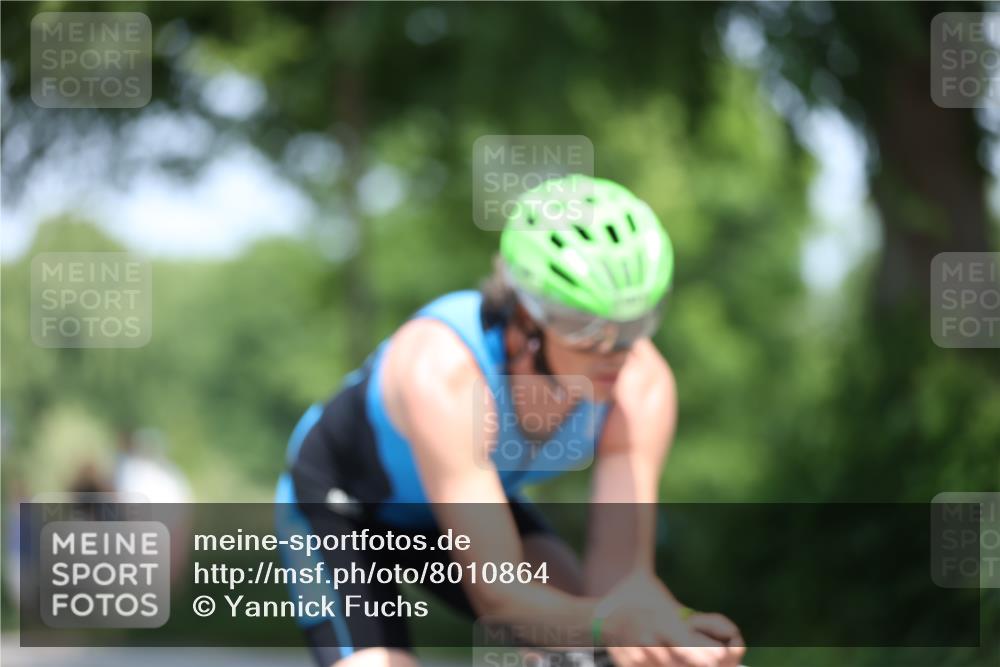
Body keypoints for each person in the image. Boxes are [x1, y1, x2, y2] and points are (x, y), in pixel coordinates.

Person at [276, 175, 745, 667]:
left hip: (466, 504)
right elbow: (499, 599)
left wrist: (671, 632)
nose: (615, 350)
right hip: (343, 509)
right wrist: (612, 623)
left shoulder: (641, 386)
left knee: (595, 654)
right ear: (526, 319)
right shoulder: (446, 373)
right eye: (585, 326)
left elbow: (621, 588)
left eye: (636, 324)